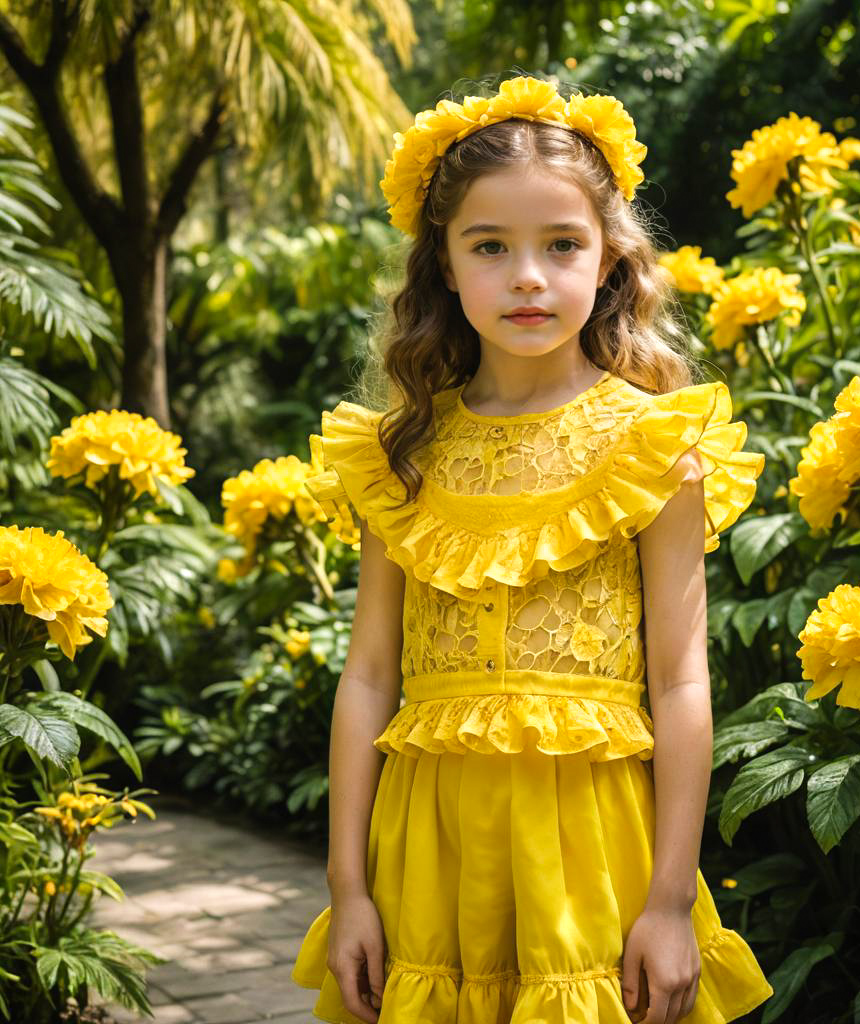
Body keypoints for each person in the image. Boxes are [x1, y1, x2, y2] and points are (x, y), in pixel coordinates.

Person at [290, 72, 774, 1024]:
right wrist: (348, 888)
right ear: (445, 265)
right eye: (490, 246)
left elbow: (681, 682)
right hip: (427, 848)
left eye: (562, 244)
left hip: (593, 849)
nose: (527, 276)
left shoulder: (649, 447)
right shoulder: (404, 453)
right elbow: (369, 674)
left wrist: (672, 900)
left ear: (608, 261)